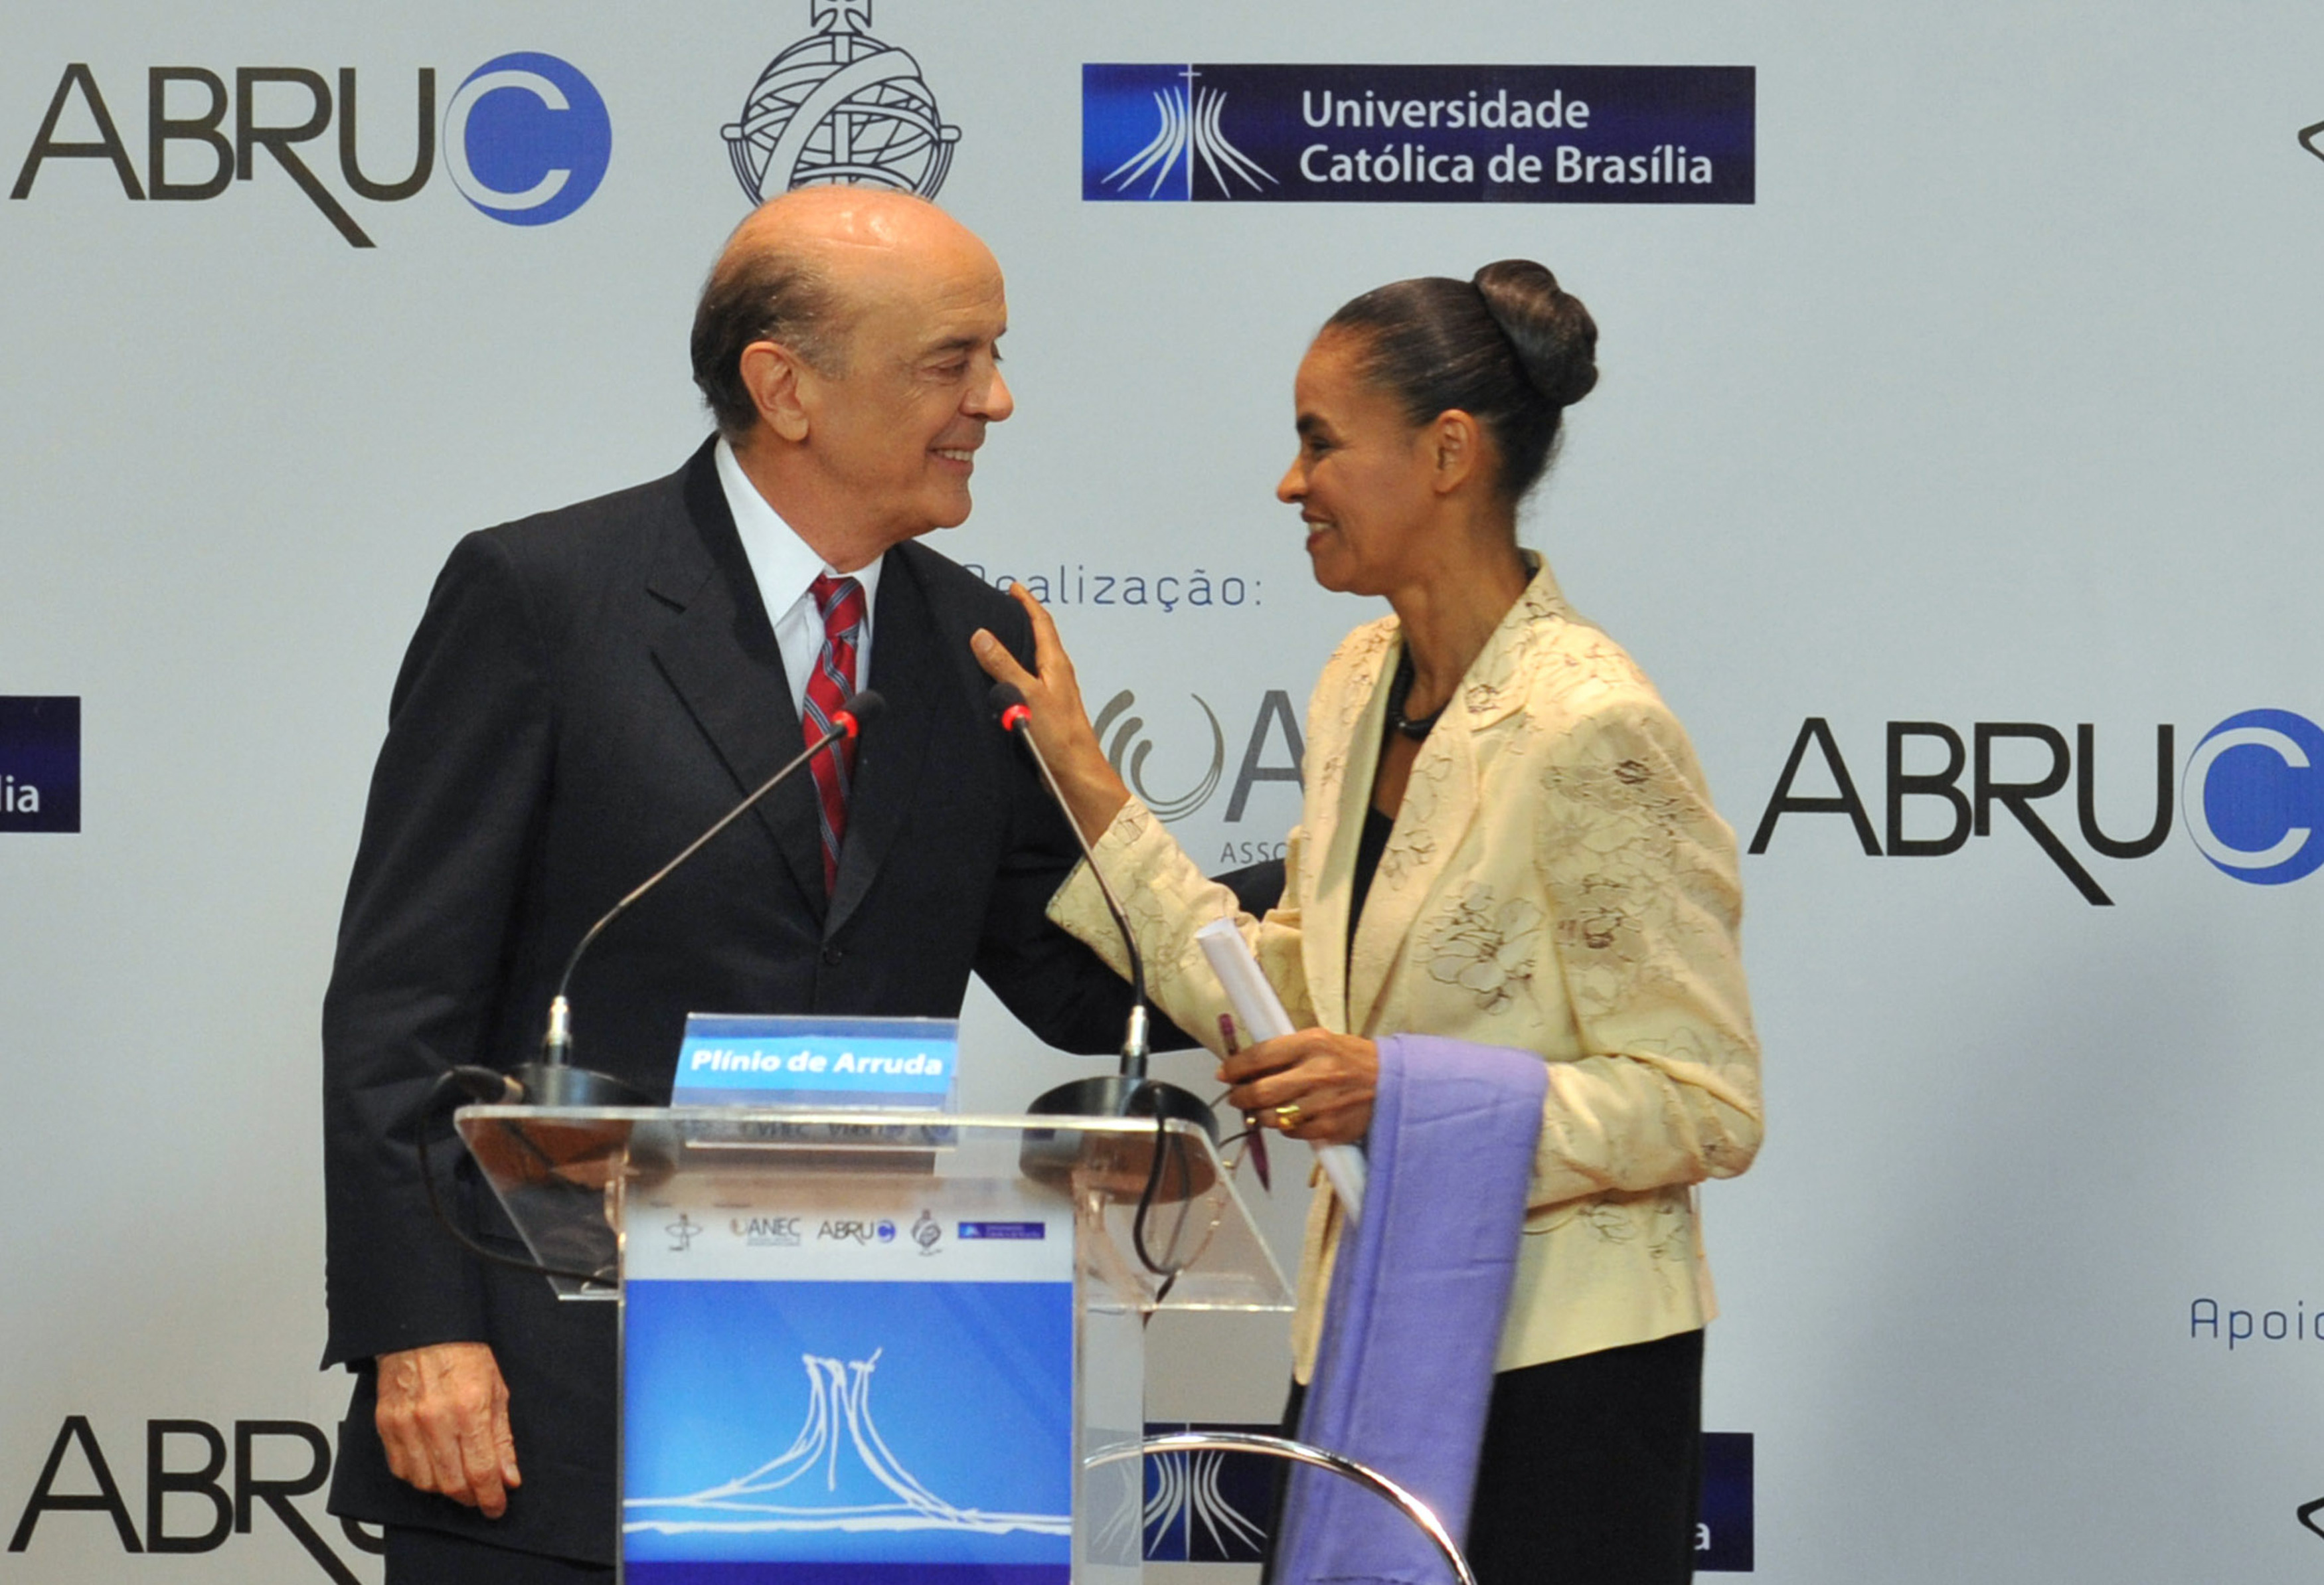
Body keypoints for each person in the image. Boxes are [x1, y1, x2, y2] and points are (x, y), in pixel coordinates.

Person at [317, 188, 1270, 1582]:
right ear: (787, 385)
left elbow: (1077, 978)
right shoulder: (545, 598)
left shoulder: (974, 640)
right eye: (951, 360)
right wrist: (422, 1331)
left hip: (871, 1407)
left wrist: (1360, 871)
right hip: (549, 1407)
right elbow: (402, 1006)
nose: (995, 399)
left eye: (993, 355)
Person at [974, 260, 1764, 1583]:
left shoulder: (1593, 725)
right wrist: (1078, 764)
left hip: (1559, 1377)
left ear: (1447, 453)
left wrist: (1402, 1094)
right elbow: (1289, 997)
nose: (1292, 484)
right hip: (1364, 1335)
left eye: (1319, 443)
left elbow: (1702, 1103)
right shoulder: (1358, 681)